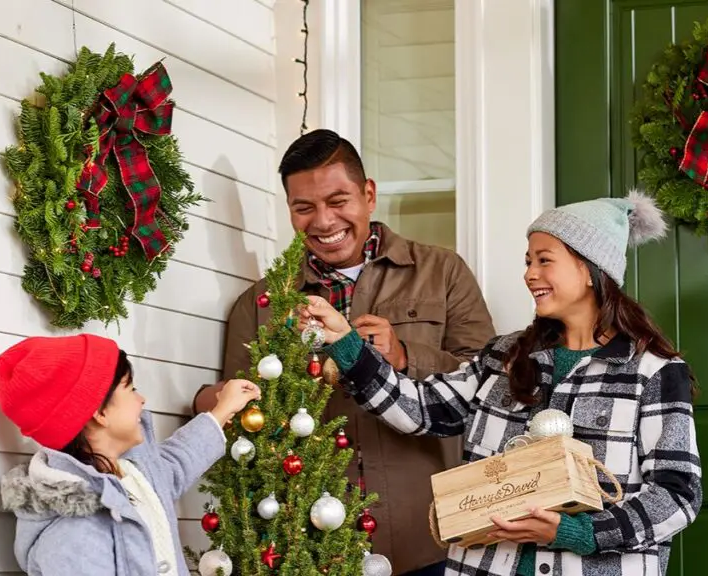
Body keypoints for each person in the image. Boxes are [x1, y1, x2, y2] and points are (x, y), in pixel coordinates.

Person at [301, 191, 703, 576]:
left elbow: (677, 496)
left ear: (590, 269)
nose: (530, 274)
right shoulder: (504, 357)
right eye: (528, 261)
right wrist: (346, 342)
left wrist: (575, 533)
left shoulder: (653, 372)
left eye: (545, 261)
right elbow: (421, 409)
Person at [192, 129, 496, 575]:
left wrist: (405, 355)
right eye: (304, 207)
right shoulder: (260, 306)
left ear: (368, 194)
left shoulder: (442, 272)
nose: (323, 221)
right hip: (304, 546)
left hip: (431, 537)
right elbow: (237, 421)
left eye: (338, 201)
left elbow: (492, 390)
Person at [0, 334, 260, 575]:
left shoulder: (133, 475)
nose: (141, 400)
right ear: (99, 412)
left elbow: (177, 460)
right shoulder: (73, 535)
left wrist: (222, 410)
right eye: (130, 388)